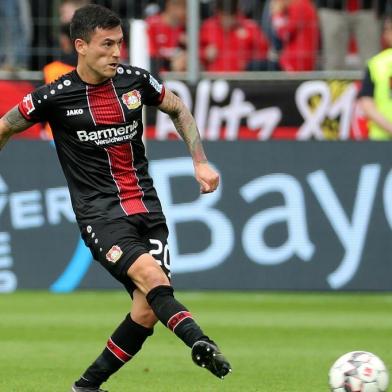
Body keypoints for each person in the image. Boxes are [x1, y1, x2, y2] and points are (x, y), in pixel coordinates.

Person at [0, 4, 231, 392]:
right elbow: (5, 126)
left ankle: (86, 386)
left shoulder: (135, 82)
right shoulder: (54, 96)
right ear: (81, 46)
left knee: (146, 311)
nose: (116, 53)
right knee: (154, 278)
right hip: (100, 216)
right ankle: (200, 341)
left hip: (148, 209)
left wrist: (200, 161)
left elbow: (177, 108)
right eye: (106, 44)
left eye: (119, 43)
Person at [199, 0, 269, 72]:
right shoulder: (208, 27)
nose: (227, 20)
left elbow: (263, 53)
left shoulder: (250, 27)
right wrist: (204, 54)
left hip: (242, 79)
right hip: (214, 78)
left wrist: (248, 60)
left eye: (231, 15)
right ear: (218, 12)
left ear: (236, 12)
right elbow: (195, 52)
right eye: (224, 15)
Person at [317, 0, 382, 70]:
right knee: (334, 62)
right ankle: (334, 81)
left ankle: (370, 81)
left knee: (371, 61)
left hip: (369, 9)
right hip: (332, 8)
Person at [357, 14, 392, 140]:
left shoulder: (376, 63)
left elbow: (366, 103)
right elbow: (366, 102)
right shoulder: (376, 64)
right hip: (381, 139)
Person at [269, 0, 319, 71]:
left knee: (257, 66)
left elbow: (286, 34)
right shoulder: (302, 4)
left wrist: (277, 15)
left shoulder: (299, 6)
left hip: (297, 61)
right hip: (297, 58)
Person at [145, 0, 187, 74]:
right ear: (170, 6)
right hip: (155, 77)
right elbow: (150, 57)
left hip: (179, 77)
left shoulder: (185, 28)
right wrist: (171, 63)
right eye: (183, 6)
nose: (185, 11)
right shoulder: (152, 24)